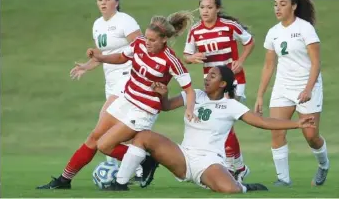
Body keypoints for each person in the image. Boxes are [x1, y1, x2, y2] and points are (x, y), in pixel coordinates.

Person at [37, 11, 196, 190]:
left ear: (164, 40)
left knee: (104, 145)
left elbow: (189, 90)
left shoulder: (171, 60)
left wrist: (189, 109)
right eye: (147, 38)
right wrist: (100, 57)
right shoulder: (139, 43)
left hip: (143, 110)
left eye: (152, 40)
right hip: (125, 99)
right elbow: (122, 57)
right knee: (94, 137)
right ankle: (64, 180)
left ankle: (146, 160)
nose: (147, 43)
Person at [106, 65, 316, 192]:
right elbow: (167, 107)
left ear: (223, 83)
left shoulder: (232, 105)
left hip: (208, 161)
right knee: (143, 136)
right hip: (183, 155)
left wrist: (297, 123)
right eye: (207, 75)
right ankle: (120, 183)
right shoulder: (194, 94)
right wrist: (163, 95)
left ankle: (243, 186)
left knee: (230, 190)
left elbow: (262, 122)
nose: (206, 78)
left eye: (213, 76)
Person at [254, 0, 329, 187]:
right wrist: (260, 95)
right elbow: (269, 66)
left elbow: (316, 63)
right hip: (283, 88)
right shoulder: (273, 32)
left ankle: (323, 165)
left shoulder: (305, 29)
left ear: (293, 6)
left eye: (282, 4)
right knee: (277, 131)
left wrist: (308, 89)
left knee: (311, 136)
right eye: (275, 4)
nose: (277, 8)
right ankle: (283, 180)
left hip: (307, 86)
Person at [69, 0, 144, 179]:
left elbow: (142, 48)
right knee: (116, 131)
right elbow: (101, 54)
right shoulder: (97, 24)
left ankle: (140, 163)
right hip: (110, 82)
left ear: (116, 2)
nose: (103, 2)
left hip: (127, 78)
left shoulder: (125, 21)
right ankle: (137, 167)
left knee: (102, 128)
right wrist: (86, 65)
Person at [183, 0, 254, 182]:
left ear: (218, 9)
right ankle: (237, 167)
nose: (205, 11)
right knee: (221, 123)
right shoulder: (195, 31)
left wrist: (240, 60)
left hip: (234, 81)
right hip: (212, 84)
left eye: (209, 7)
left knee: (224, 120)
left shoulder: (229, 26)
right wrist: (192, 58)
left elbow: (249, 41)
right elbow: (186, 56)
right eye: (202, 7)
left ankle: (234, 167)